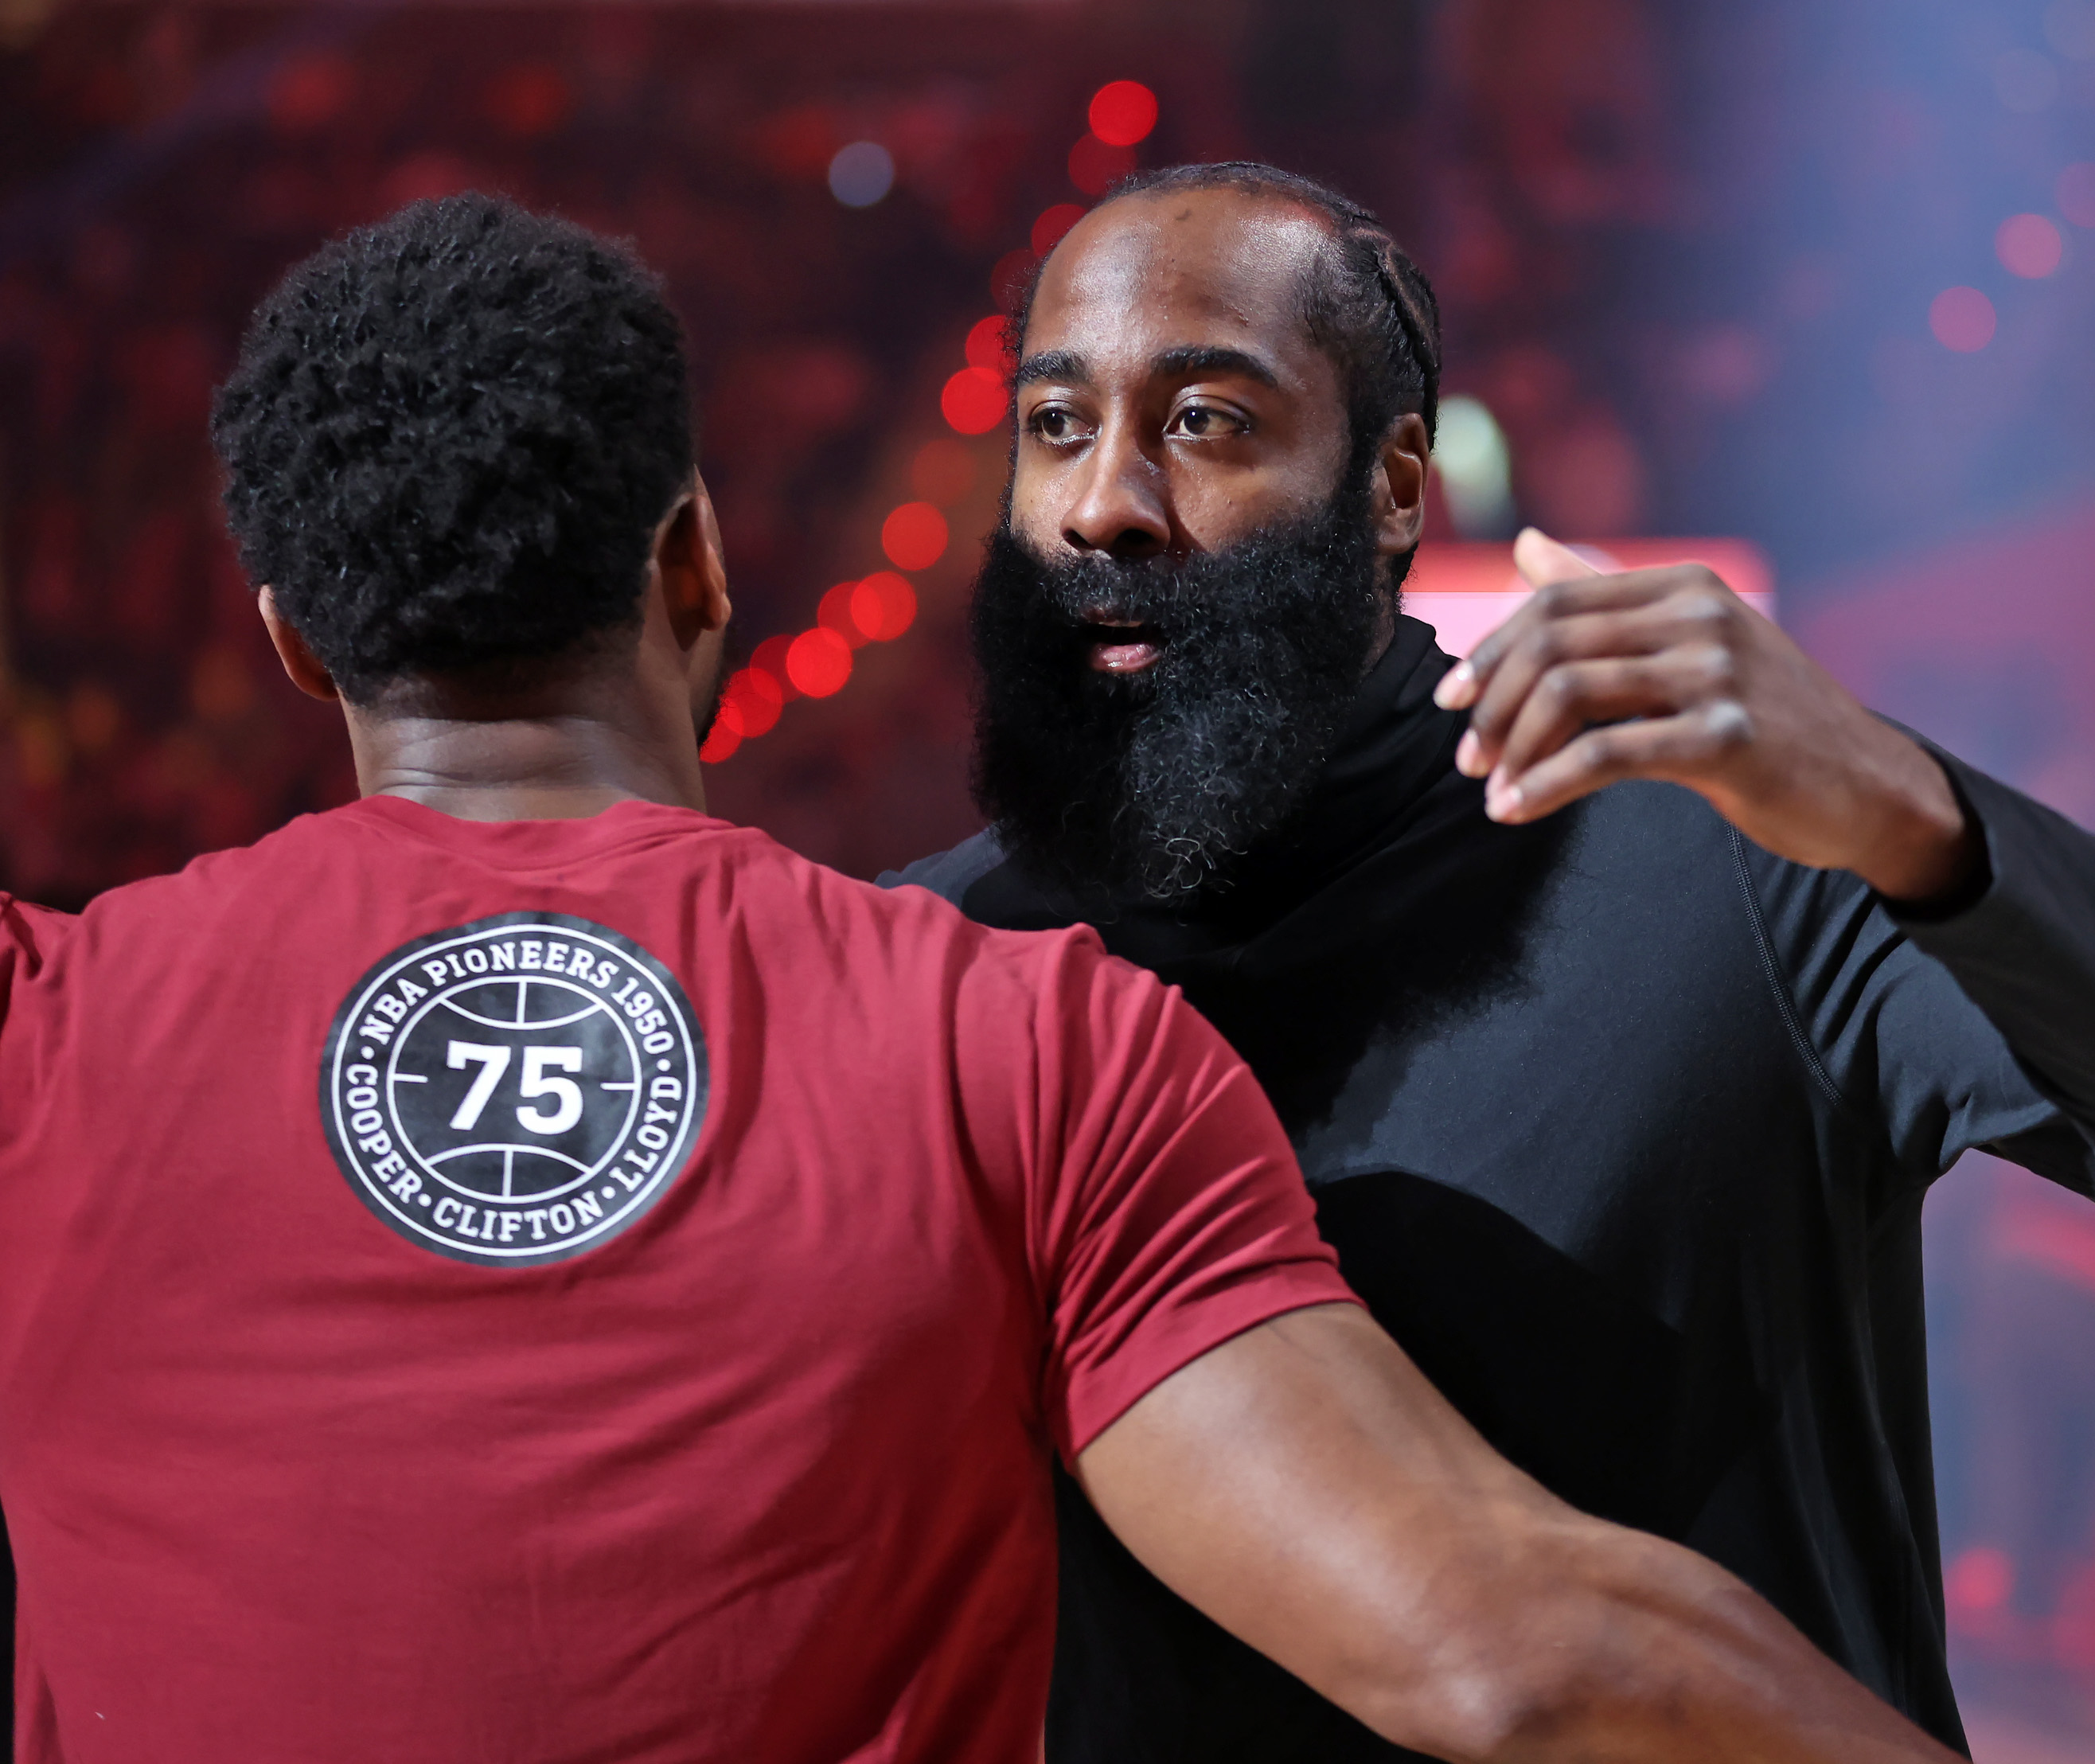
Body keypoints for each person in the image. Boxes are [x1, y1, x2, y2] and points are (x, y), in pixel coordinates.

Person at [0, 192, 1971, 1764]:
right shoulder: (1026, 1039)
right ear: (694, 567)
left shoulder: (39, 1027)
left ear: (294, 639)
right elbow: (1497, 1646)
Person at [884, 161, 2095, 1759]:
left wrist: (1913, 809)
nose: (1105, 503)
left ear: (1392, 486)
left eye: (1207, 421)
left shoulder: (1736, 859)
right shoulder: (932, 961)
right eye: (1055, 424)